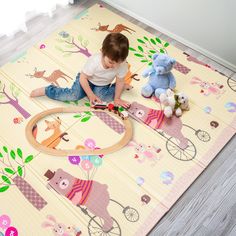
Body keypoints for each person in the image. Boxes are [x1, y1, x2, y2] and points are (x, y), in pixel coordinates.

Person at [30, 32, 130, 108]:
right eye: (111, 62)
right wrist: (90, 95)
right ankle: (48, 90)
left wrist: (117, 98)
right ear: (103, 52)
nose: (114, 66)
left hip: (103, 84)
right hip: (85, 80)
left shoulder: (121, 64)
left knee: (105, 99)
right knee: (74, 96)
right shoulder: (95, 61)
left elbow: (120, 80)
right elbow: (83, 78)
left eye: (119, 63)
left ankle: (117, 88)